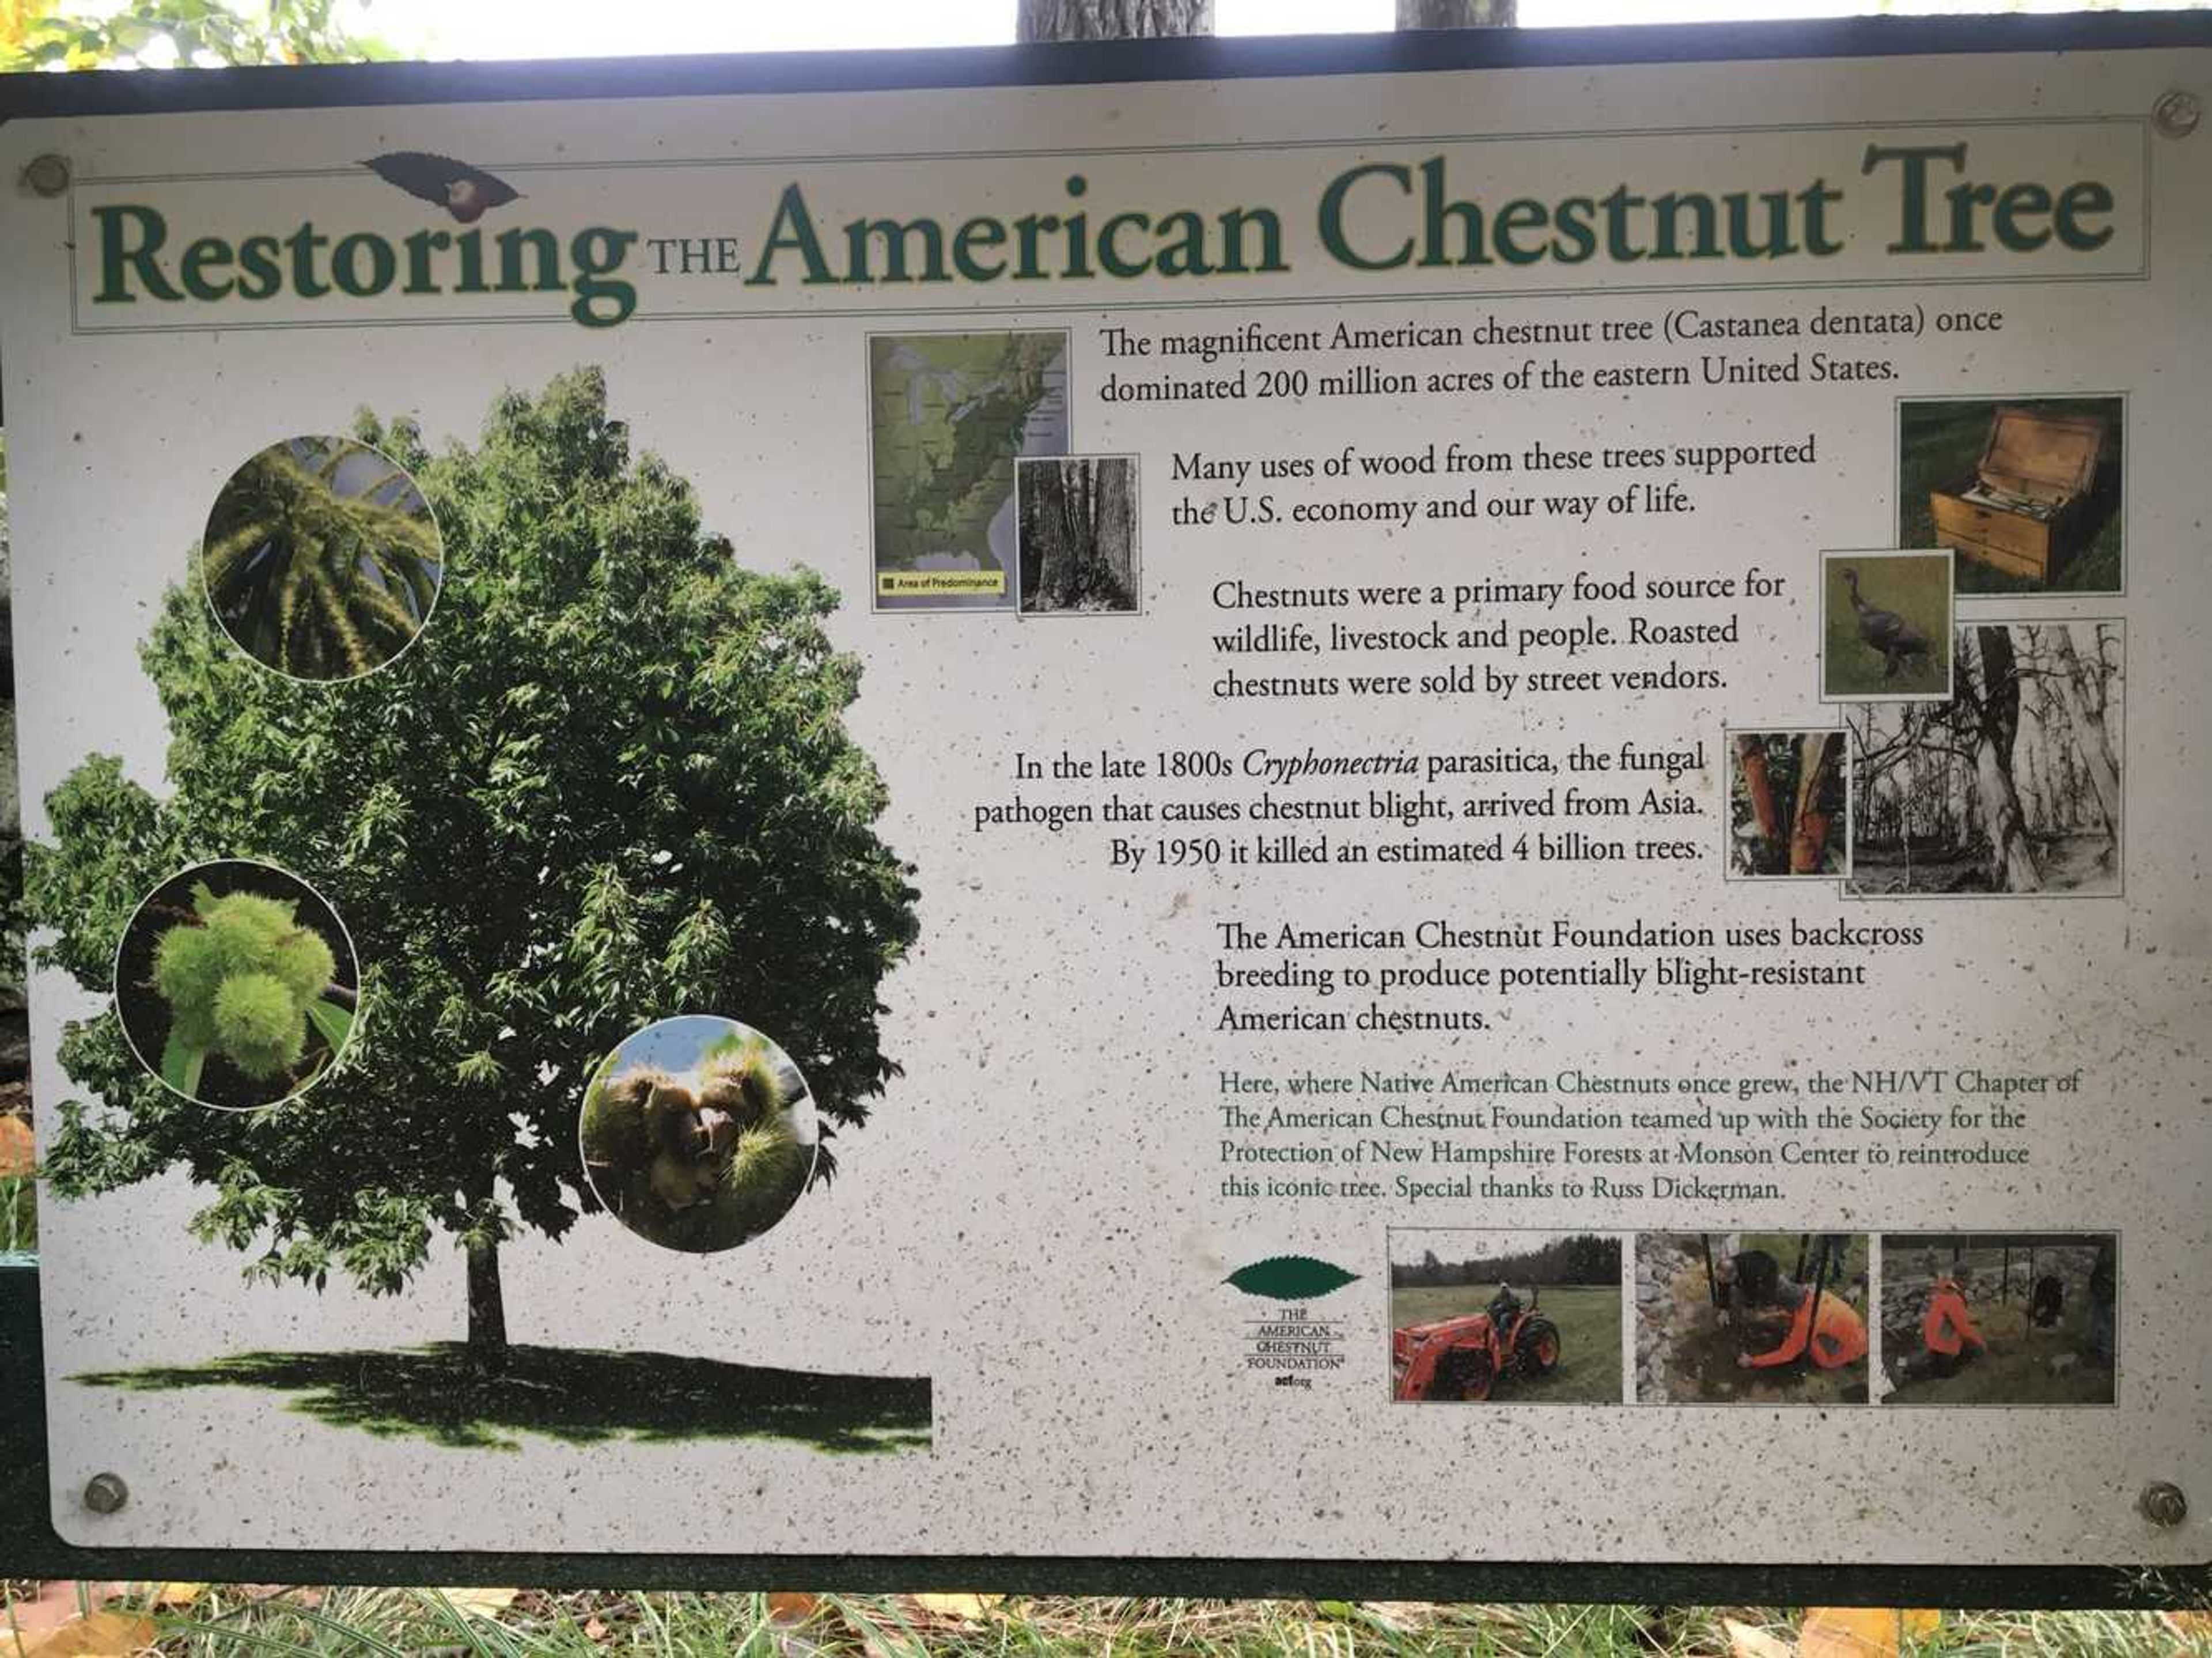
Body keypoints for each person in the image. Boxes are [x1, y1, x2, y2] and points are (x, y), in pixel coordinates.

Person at [1730, 1248, 1868, 1371]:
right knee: (1803, 1327)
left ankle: (1849, 1355)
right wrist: (1769, 1315)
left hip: (1851, 1348)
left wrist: (1753, 1361)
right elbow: (1795, 1309)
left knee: (1814, 1352)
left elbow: (1786, 1354)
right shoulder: (1811, 1293)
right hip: (1851, 1326)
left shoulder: (1806, 1322)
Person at [1919, 1265, 1989, 1377]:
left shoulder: (1946, 1289)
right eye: (1970, 1279)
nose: (1971, 1282)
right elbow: (1963, 1329)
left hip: (1932, 1336)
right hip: (1941, 1344)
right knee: (1943, 1371)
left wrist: (1972, 1320)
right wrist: (1981, 1344)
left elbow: (1956, 1315)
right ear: (1962, 1279)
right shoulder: (1953, 1296)